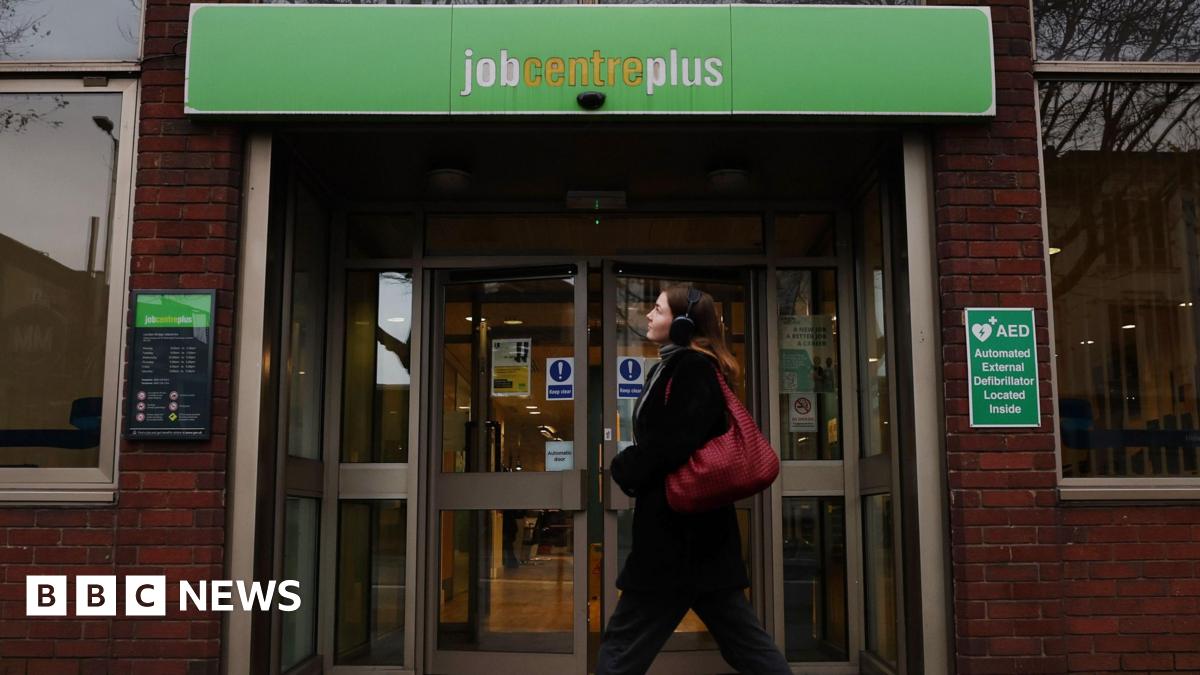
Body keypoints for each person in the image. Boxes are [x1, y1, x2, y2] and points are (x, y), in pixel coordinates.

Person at [596, 284, 790, 675]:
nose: (648, 316)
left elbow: (673, 440)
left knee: (621, 648)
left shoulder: (692, 368)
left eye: (658, 309)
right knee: (746, 648)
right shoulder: (672, 367)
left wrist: (625, 467)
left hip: (677, 543)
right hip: (700, 544)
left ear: (683, 323)